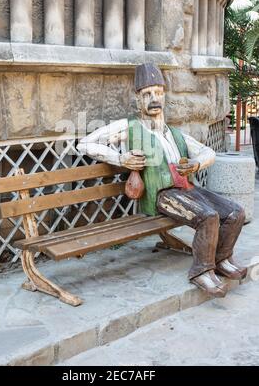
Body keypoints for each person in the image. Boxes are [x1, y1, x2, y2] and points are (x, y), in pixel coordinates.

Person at [77, 63, 247, 297]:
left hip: (187, 189)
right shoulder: (130, 127)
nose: (153, 98)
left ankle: (222, 258)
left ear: (164, 96)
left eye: (158, 92)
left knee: (235, 212)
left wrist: (196, 164)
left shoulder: (174, 133)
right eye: (147, 94)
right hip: (161, 196)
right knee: (208, 217)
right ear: (138, 99)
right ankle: (201, 272)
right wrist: (120, 158)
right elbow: (85, 143)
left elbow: (209, 152)